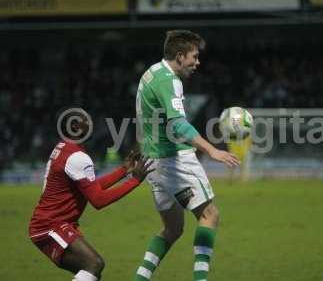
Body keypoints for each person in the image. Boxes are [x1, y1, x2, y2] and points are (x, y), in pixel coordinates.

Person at [134, 30, 239, 281]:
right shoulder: (169, 81)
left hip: (153, 163)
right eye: (194, 56)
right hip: (174, 161)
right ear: (180, 57)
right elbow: (178, 125)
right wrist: (212, 149)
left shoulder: (151, 73)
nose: (197, 62)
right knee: (209, 215)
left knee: (172, 229)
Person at [28, 108, 154, 281]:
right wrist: (135, 181)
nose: (91, 124)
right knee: (94, 264)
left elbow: (91, 188)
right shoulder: (78, 157)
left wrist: (123, 171)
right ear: (74, 126)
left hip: (52, 224)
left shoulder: (63, 147)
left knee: (91, 270)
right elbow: (98, 200)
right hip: (50, 226)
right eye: (86, 121)